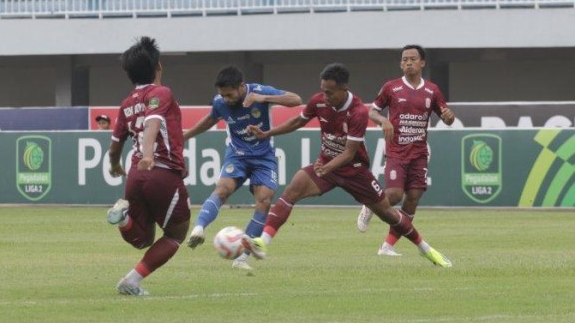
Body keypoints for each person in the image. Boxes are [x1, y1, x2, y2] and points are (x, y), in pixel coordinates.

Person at [244, 63, 452, 268]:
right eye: (323, 91)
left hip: (355, 172)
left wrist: (328, 167)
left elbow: (349, 153)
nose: (325, 97)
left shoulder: (358, 112)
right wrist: (267, 133)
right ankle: (263, 242)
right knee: (292, 189)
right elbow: (297, 122)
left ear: (344, 90)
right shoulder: (318, 101)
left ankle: (426, 249)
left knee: (389, 213)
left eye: (330, 93)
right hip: (326, 166)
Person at [184, 65, 302, 270]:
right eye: (222, 95)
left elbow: (296, 100)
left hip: (264, 156)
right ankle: (199, 229)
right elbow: (210, 119)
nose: (226, 99)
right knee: (222, 189)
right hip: (237, 156)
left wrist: (263, 99)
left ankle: (242, 258)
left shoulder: (260, 92)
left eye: (229, 94)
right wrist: (184, 136)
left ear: (241, 86)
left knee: (264, 200)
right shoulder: (221, 102)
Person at [105, 37, 191, 295]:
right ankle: (131, 281)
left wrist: (114, 165)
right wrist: (148, 154)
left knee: (144, 239)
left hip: (135, 176)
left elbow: (114, 147)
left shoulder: (126, 104)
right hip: (160, 173)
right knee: (176, 235)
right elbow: (153, 122)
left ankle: (122, 219)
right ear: (159, 67)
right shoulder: (160, 93)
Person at [356, 44, 455, 256]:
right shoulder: (391, 87)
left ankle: (387, 246)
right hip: (397, 151)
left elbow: (446, 116)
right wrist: (383, 120)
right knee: (393, 195)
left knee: (412, 199)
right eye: (404, 59)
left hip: (419, 153)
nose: (407, 62)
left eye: (412, 59)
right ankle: (369, 206)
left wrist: (449, 117)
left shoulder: (432, 90)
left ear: (422, 63)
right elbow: (372, 111)